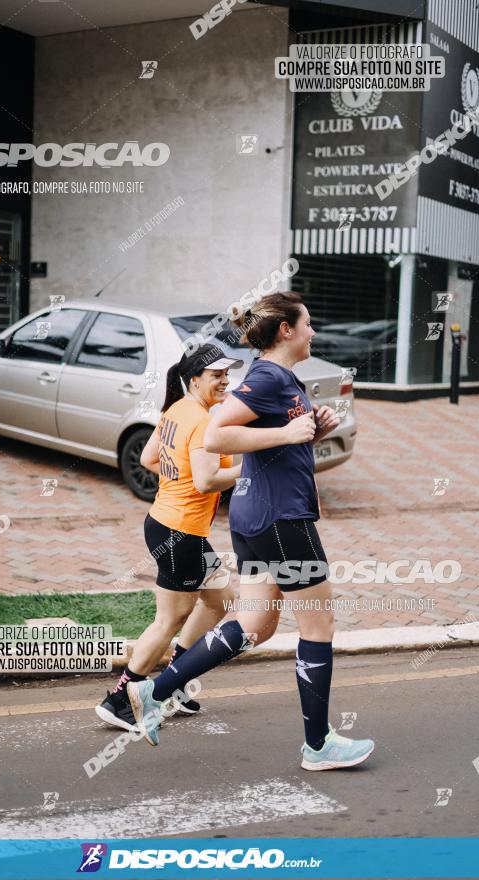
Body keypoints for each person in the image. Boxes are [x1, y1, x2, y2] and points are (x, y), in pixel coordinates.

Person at [127, 292, 375, 771]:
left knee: (256, 625)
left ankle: (153, 690)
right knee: (318, 625)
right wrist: (288, 433)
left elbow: (266, 441)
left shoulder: (280, 378)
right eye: (308, 324)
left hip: (260, 517)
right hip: (282, 520)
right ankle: (318, 745)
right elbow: (218, 434)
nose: (313, 332)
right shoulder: (265, 376)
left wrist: (312, 432)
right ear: (286, 330)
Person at [96, 344, 243, 731]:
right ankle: (119, 700)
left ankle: (175, 681)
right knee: (169, 618)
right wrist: (250, 472)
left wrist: (177, 476)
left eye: (227, 374)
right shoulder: (200, 420)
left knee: (221, 599)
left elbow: (148, 459)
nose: (225, 380)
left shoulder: (177, 409)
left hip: (172, 524)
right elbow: (207, 479)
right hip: (179, 531)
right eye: (217, 374)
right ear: (195, 379)